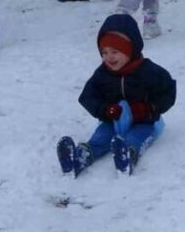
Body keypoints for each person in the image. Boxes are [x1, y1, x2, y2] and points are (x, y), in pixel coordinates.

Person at [57, 13, 177, 176]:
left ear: (130, 49)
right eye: (104, 52)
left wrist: (149, 108)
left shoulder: (148, 71)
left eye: (115, 51)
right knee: (101, 137)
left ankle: (127, 155)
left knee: (137, 136)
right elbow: (88, 96)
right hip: (113, 120)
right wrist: (105, 110)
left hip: (144, 121)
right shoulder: (103, 73)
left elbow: (168, 91)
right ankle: (80, 157)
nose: (109, 57)